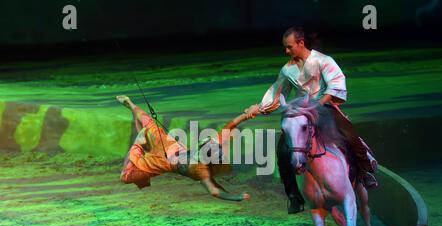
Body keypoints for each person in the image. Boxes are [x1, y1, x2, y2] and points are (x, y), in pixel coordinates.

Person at [244, 27, 378, 214]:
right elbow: (277, 92)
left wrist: (317, 105)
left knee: (349, 134)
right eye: (285, 47)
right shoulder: (287, 69)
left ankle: (365, 172)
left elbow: (335, 84)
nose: (286, 51)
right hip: (301, 112)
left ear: (301, 43)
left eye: (289, 47)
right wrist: (258, 107)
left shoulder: (323, 61)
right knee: (283, 149)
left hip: (324, 107)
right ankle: (294, 196)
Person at [116, 95, 251, 202]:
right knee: (125, 177)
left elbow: (230, 125)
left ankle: (132, 106)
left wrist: (247, 115)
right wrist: (236, 197)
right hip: (165, 160)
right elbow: (214, 191)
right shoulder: (202, 170)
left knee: (149, 124)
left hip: (171, 147)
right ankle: (138, 144)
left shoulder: (209, 152)